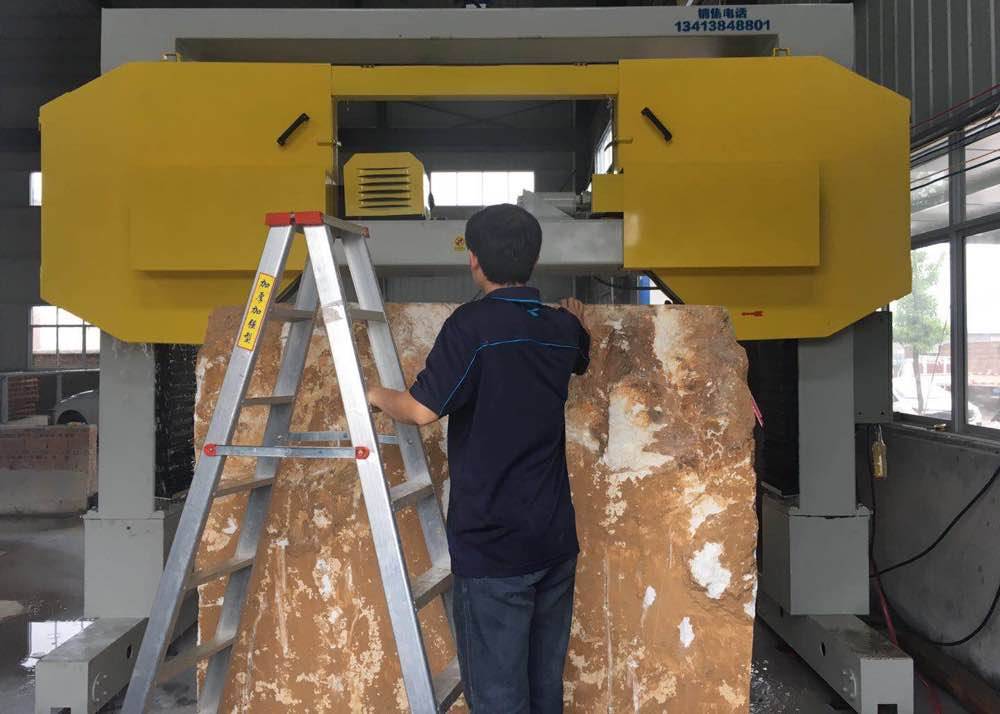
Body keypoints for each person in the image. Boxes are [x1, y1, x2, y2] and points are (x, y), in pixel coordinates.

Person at [367, 203, 590, 713]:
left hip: (493, 546)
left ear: (473, 260)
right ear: (534, 260)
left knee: (497, 697)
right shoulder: (561, 329)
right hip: (554, 538)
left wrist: (373, 394)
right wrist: (576, 318)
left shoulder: (472, 326)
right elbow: (581, 350)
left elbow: (421, 410)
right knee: (543, 690)